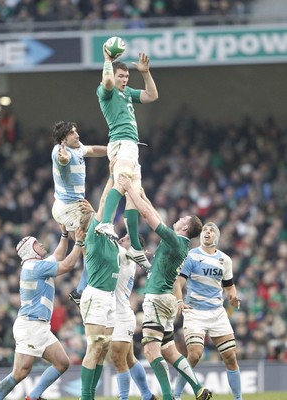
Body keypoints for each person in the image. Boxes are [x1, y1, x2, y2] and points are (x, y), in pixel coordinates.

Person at [118, 175, 212, 400]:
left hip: (158, 298)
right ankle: (198, 388)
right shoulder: (181, 245)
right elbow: (154, 212)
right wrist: (143, 195)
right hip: (167, 300)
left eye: (182, 218)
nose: (178, 218)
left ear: (185, 227)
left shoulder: (176, 241)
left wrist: (130, 189)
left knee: (151, 351)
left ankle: (168, 397)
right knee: (169, 349)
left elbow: (150, 217)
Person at [0, 225, 86, 400]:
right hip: (31, 325)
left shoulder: (35, 266)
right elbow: (66, 265)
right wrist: (79, 243)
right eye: (37, 243)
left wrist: (65, 235)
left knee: (61, 363)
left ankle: (33, 396)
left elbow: (58, 255)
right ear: (30, 250)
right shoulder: (34, 267)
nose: (41, 244)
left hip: (37, 325)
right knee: (20, 372)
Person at [94, 45, 159, 270]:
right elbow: (108, 82)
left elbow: (152, 95)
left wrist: (144, 72)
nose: (124, 79)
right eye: (121, 75)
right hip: (121, 143)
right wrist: (106, 61)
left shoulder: (127, 92)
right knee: (122, 181)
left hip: (132, 146)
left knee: (135, 195)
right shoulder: (106, 90)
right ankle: (104, 223)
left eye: (126, 76)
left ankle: (135, 249)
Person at [174, 222, 243, 400]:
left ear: (216, 237)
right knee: (195, 355)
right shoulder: (191, 256)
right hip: (195, 312)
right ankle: (176, 394)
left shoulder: (225, 260)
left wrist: (233, 297)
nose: (207, 232)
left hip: (217, 312)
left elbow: (229, 286)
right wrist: (180, 300)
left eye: (211, 230)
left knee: (230, 356)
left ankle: (238, 398)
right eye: (205, 229)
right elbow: (179, 281)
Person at [51, 120, 107, 304]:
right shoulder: (59, 152)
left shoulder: (78, 148)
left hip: (71, 206)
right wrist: (63, 158)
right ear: (63, 139)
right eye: (73, 133)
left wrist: (112, 151)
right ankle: (83, 289)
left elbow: (91, 150)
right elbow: (62, 159)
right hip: (70, 208)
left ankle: (82, 290)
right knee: (91, 243)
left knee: (89, 245)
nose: (77, 135)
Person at [79, 161, 120, 400]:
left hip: (109, 297)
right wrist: (113, 176)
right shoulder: (93, 238)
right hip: (96, 295)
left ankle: (91, 393)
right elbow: (105, 204)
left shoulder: (107, 236)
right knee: (95, 345)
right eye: (95, 217)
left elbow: (105, 209)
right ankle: (86, 396)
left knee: (105, 347)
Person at [111, 233, 157, 400]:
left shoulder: (125, 256)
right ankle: (147, 395)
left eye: (127, 238)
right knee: (129, 358)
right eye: (123, 236)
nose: (122, 239)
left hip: (120, 315)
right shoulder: (126, 256)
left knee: (118, 358)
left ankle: (124, 398)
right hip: (116, 313)